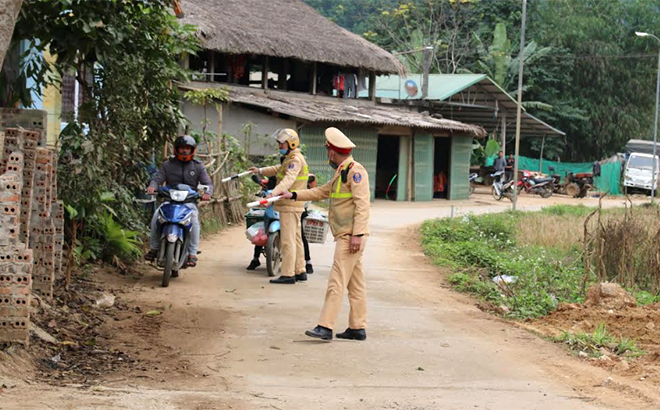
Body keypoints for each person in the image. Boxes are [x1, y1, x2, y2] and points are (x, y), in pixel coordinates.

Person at [279, 127, 370, 341]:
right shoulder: (342, 172)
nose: (328, 154)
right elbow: (321, 191)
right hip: (346, 235)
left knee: (336, 281)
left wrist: (357, 234)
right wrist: (292, 194)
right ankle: (357, 327)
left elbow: (362, 205)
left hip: (350, 236)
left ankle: (325, 326)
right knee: (355, 283)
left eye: (328, 151)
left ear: (331, 152)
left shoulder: (356, 172)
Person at [249, 128, 309, 284]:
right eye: (279, 143)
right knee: (296, 239)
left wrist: (272, 194)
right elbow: (279, 169)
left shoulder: (294, 160)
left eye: (282, 143)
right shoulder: (292, 158)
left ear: (291, 143)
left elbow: (288, 180)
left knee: (288, 240)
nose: (279, 146)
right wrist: (260, 170)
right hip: (293, 204)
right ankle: (300, 270)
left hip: (289, 204)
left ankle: (288, 274)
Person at [145, 135, 212, 268]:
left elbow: (208, 183)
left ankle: (192, 253)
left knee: (194, 221)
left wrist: (207, 193)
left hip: (189, 203)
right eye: (181, 148)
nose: (184, 151)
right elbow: (157, 179)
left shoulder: (198, 166)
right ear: (176, 149)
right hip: (169, 201)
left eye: (187, 148)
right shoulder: (168, 165)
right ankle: (154, 248)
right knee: (155, 216)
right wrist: (153, 186)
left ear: (192, 150)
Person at [246, 174, 315, 274]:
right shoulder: (274, 177)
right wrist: (264, 191)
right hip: (275, 208)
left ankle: (308, 262)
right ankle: (255, 258)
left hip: (294, 206)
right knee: (263, 232)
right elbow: (266, 186)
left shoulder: (294, 176)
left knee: (299, 234)